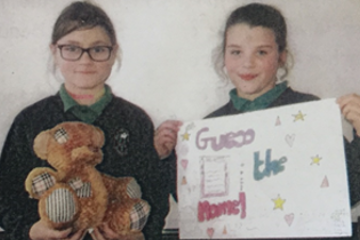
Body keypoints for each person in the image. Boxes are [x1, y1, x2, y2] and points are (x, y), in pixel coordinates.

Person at [155, 3, 360, 240]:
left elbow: (349, 191)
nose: (247, 63)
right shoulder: (209, 130)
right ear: (223, 56)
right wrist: (167, 157)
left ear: (282, 56)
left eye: (261, 52)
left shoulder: (309, 114)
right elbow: (197, 206)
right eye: (236, 52)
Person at [0, 1, 169, 240]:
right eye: (72, 48)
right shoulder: (30, 120)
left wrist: (142, 236)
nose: (85, 60)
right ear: (54, 51)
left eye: (98, 49)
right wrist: (30, 231)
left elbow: (155, 194)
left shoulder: (135, 120)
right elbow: (5, 194)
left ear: (114, 53)